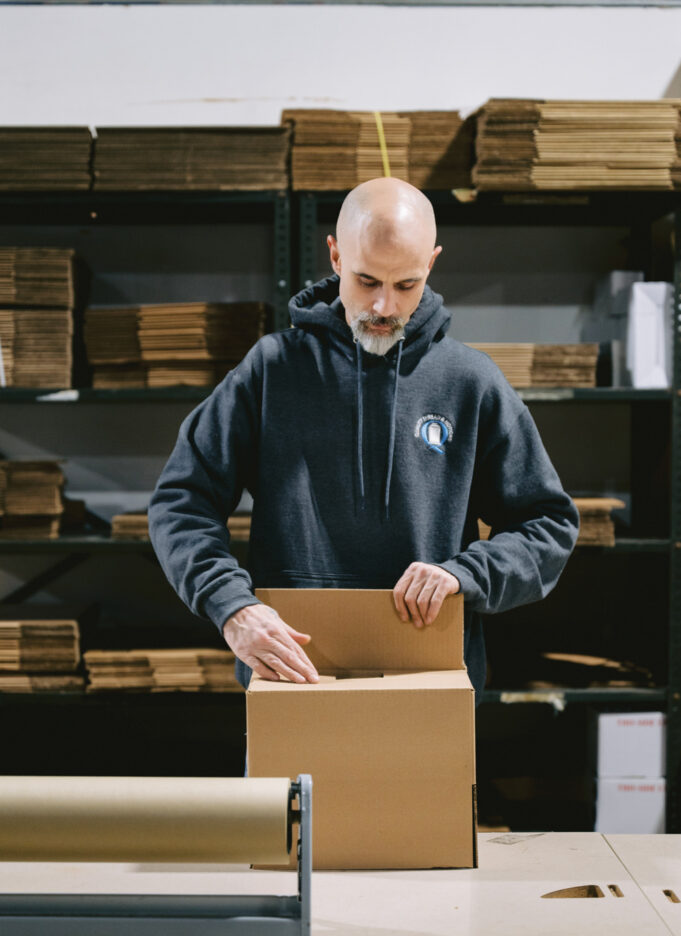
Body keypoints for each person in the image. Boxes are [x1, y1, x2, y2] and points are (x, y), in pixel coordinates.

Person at [148, 177, 579, 700]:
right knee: (290, 789)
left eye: (406, 285)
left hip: (430, 679)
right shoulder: (272, 371)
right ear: (334, 255)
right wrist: (231, 607)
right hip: (293, 675)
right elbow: (181, 501)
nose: (383, 307)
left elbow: (548, 525)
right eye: (367, 280)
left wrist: (468, 574)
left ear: (432, 265)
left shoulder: (471, 382)